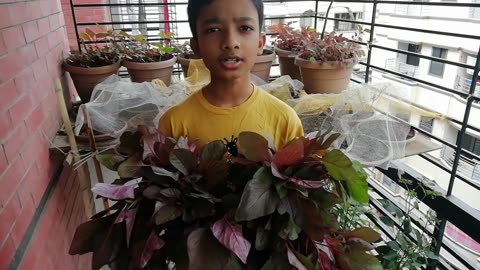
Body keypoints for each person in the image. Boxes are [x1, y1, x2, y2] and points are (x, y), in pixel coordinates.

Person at [158, 0, 303, 150]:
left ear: (260, 43)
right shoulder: (173, 124)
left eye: (244, 28)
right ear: (196, 46)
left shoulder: (285, 121)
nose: (230, 42)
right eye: (213, 30)